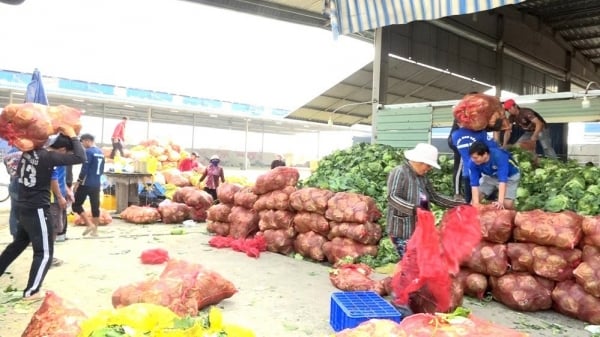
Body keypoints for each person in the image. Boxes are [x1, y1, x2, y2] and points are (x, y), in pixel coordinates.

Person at [0, 126, 85, 299]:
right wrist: (73, 136)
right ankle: (32, 291)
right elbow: (80, 157)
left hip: (23, 207)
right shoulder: (48, 157)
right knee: (44, 252)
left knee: (18, 244)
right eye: (64, 152)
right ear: (62, 150)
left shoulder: (28, 152)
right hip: (37, 208)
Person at [386, 143, 465, 258]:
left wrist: (458, 204)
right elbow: (392, 197)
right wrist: (413, 209)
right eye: (428, 166)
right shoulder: (399, 172)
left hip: (419, 229)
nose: (429, 169)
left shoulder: (422, 177)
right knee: (410, 262)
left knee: (419, 261)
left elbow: (434, 197)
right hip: (402, 229)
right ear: (419, 161)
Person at [450, 123, 500, 203]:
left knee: (470, 203)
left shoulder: (455, 135)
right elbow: (494, 147)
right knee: (490, 201)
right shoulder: (480, 133)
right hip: (484, 173)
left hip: (467, 173)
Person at [468, 141, 521, 210]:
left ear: (485, 154)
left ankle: (513, 213)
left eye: (475, 157)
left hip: (509, 177)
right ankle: (490, 206)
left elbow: (503, 180)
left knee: (507, 205)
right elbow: (474, 184)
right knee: (474, 201)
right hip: (490, 177)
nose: (473, 160)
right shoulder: (472, 163)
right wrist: (475, 204)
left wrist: (500, 202)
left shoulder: (499, 156)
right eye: (472, 157)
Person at [48, 135, 76, 267]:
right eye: (68, 154)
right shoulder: (51, 158)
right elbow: (52, 179)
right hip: (52, 199)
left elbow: (60, 178)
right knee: (52, 229)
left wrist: (68, 191)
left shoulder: (57, 158)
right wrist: (59, 197)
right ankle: (47, 258)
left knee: (55, 227)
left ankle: (47, 255)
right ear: (62, 149)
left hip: (58, 196)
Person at [72, 133, 105, 236]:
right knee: (95, 207)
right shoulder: (100, 152)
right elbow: (102, 169)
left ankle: (89, 224)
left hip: (86, 183)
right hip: (96, 183)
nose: (82, 145)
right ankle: (95, 231)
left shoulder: (88, 152)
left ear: (87, 141)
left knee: (76, 205)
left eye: (82, 142)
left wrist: (78, 182)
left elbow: (84, 169)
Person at [3, 147, 22, 240]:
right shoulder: (27, 152)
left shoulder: (7, 155)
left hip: (13, 183)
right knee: (28, 210)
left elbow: (8, 171)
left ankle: (15, 235)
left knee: (14, 211)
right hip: (25, 183)